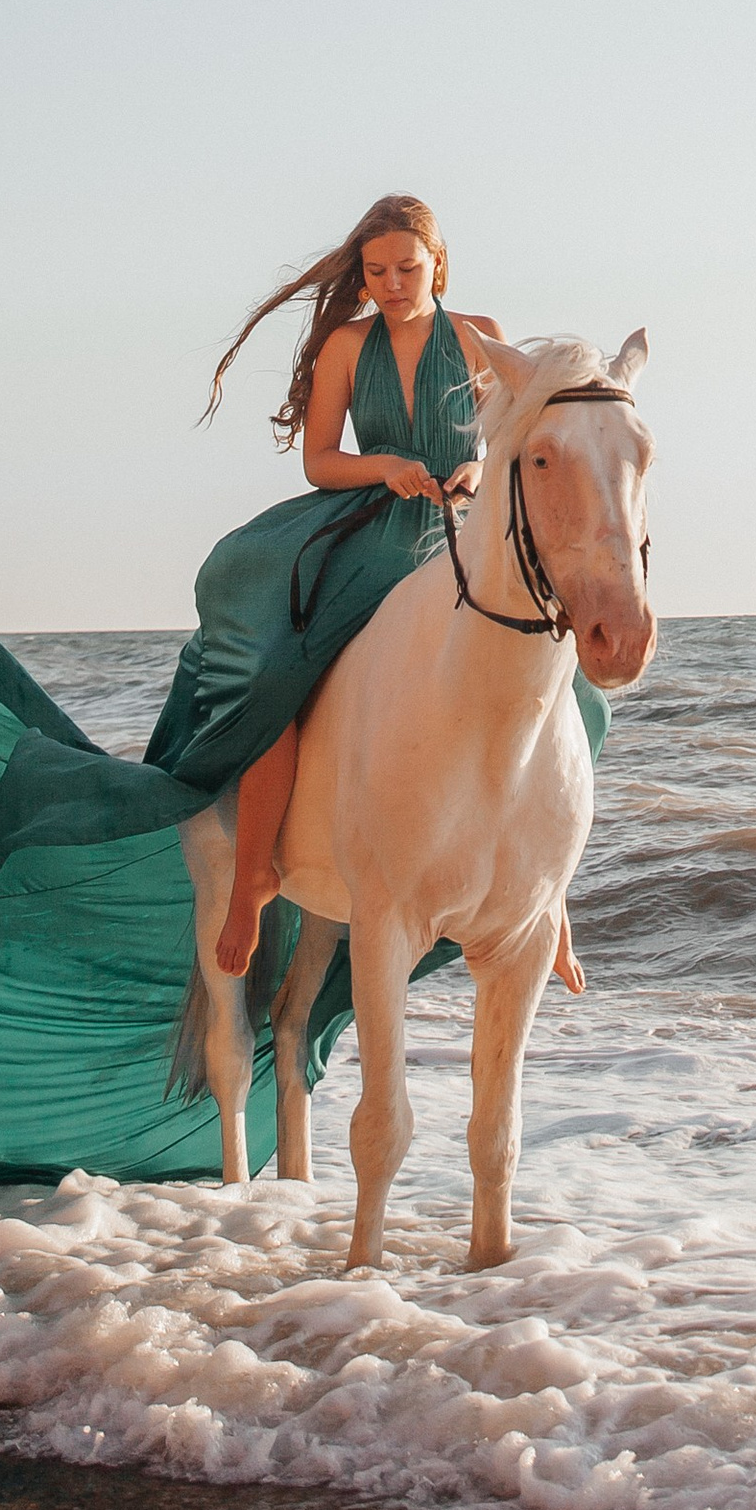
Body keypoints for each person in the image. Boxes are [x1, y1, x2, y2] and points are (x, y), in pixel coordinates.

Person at [146, 190, 598, 981]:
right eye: (377, 270)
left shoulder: (483, 337)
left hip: (466, 529)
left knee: (572, 686)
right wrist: (384, 466)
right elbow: (320, 458)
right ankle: (255, 869)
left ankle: (547, 891)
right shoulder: (347, 349)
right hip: (372, 526)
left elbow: (517, 440)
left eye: (408, 268)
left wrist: (478, 467)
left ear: (438, 266)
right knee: (283, 664)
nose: (393, 282)